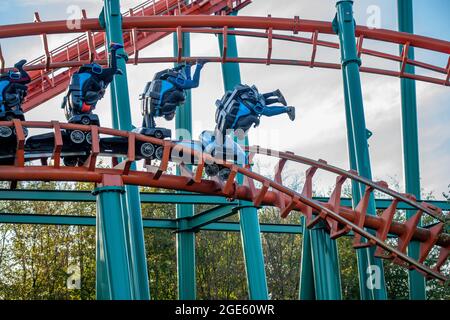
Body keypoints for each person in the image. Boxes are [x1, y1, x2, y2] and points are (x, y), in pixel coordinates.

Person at [61, 43, 124, 123]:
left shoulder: (82, 97)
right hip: (97, 79)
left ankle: (113, 49)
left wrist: (98, 88)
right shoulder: (83, 103)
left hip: (95, 75)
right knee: (110, 77)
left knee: (112, 70)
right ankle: (112, 60)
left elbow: (90, 81)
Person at [140, 60, 206, 128]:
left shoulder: (168, 107)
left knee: (194, 84)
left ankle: (199, 64)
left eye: (173, 114)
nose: (174, 113)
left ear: (171, 114)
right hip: (167, 79)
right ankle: (188, 65)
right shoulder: (158, 109)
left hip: (171, 80)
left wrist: (182, 100)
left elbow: (176, 94)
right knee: (187, 84)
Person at [214, 84, 295, 138]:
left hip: (249, 104)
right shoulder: (222, 119)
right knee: (261, 100)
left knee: (267, 111)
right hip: (247, 97)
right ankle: (276, 95)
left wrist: (257, 123)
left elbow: (251, 119)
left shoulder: (235, 126)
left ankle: (288, 109)